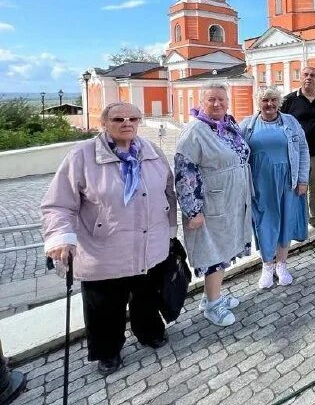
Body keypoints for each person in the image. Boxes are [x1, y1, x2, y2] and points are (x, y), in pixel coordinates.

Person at [41, 102, 177, 375]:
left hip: (149, 246)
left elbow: (168, 194)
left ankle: (149, 333)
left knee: (147, 297)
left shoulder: (152, 152)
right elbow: (58, 204)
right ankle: (108, 351)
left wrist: (170, 232)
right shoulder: (82, 156)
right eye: (118, 118)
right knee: (105, 307)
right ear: (104, 123)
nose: (126, 123)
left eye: (132, 118)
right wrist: (59, 237)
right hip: (103, 250)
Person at [175, 82, 252, 327]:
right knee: (214, 253)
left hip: (231, 200)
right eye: (211, 100)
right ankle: (212, 305)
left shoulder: (228, 125)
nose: (217, 104)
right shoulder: (195, 131)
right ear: (201, 102)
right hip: (210, 204)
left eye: (221, 99)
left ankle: (212, 297)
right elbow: (183, 172)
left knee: (225, 249)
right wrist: (193, 210)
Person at [241, 87, 309, 289]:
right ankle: (267, 266)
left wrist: (303, 179)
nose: (269, 104)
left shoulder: (290, 122)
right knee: (264, 222)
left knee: (286, 221)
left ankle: (281, 264)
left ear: (279, 102)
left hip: (289, 181)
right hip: (261, 183)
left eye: (273, 100)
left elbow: (303, 149)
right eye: (264, 100)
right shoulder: (247, 125)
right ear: (258, 103)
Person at [280, 67, 315, 234]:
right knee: (299, 187)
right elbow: (279, 124)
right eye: (305, 74)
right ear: (300, 78)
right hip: (296, 154)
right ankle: (300, 219)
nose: (308, 78)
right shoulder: (289, 100)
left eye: (312, 75)